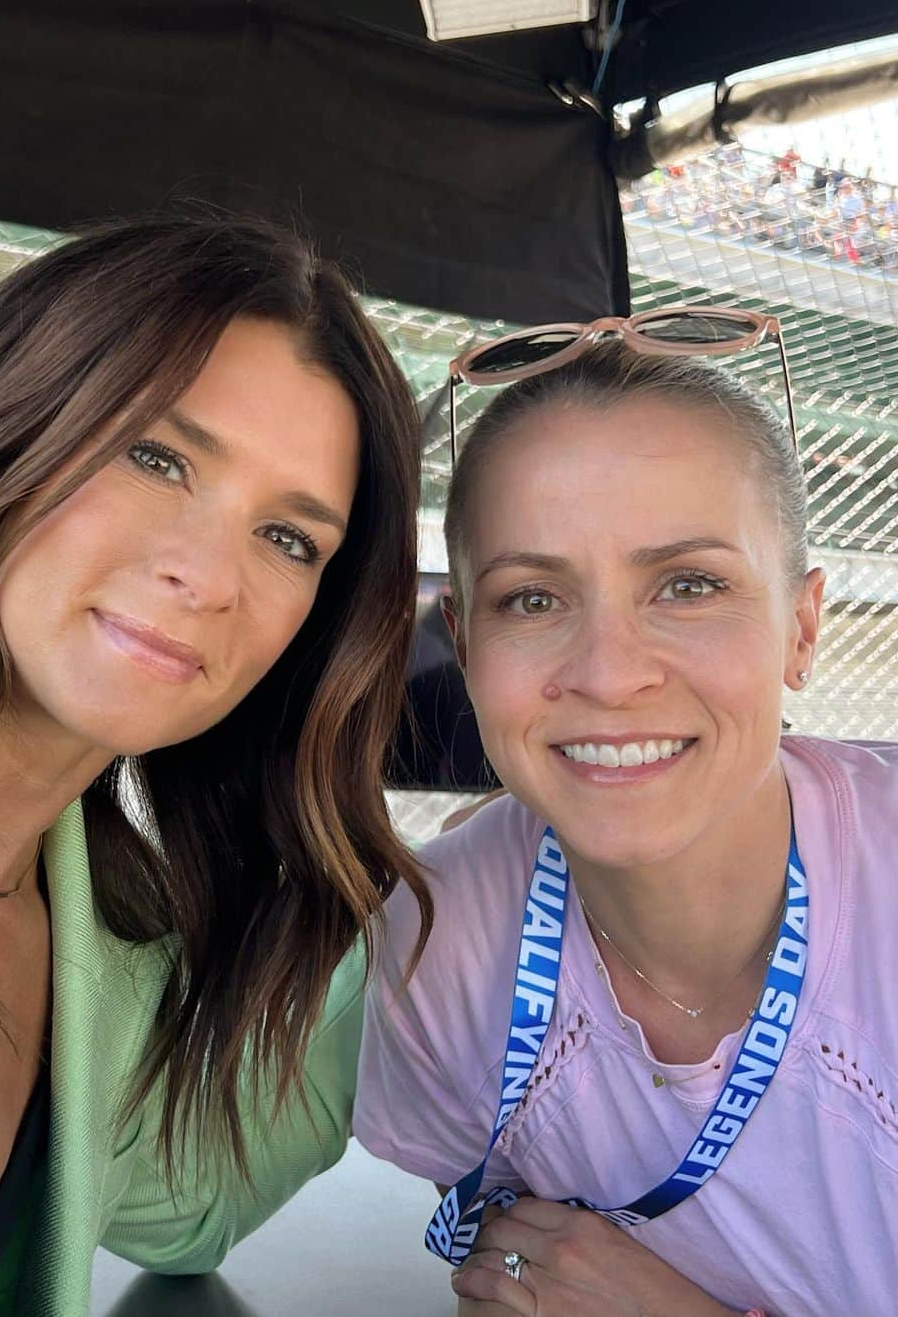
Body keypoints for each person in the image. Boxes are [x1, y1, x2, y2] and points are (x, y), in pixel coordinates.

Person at [0, 209, 431, 1316]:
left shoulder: (98, 936)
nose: (209, 575)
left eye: (290, 539)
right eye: (157, 457)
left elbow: (193, 1204)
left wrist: (519, 868)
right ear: (0, 417)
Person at [354, 335, 898, 1316]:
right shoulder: (441, 938)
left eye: (689, 584)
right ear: (468, 652)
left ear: (802, 630)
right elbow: (498, 1250)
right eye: (532, 598)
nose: (608, 674)